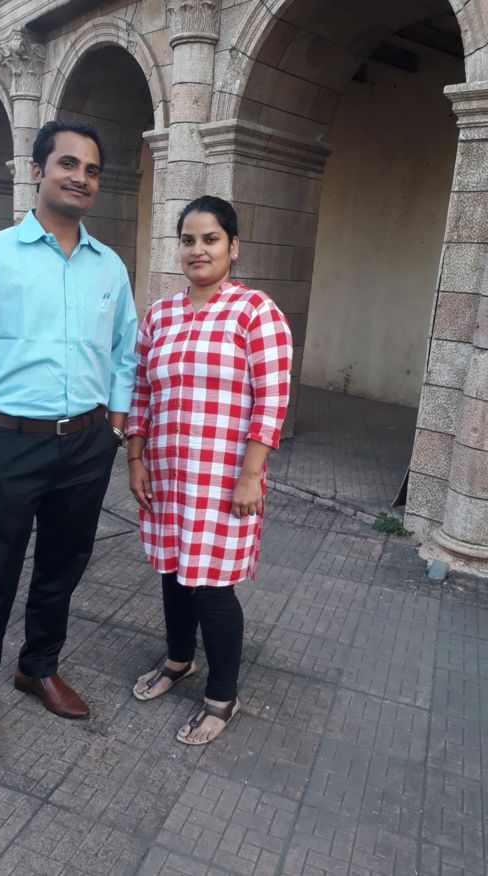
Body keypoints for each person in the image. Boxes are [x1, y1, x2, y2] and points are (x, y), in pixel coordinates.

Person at [0, 120, 138, 768]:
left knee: (63, 566)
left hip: (87, 446)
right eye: (68, 164)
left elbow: (125, 354)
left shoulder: (109, 266)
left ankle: (38, 666)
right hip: (11, 444)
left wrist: (114, 430)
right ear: (37, 171)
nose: (81, 177)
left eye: (92, 169)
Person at [127, 196, 292, 745]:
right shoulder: (160, 315)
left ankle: (222, 695)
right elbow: (141, 391)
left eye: (210, 239)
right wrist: (135, 458)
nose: (198, 250)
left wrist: (251, 476)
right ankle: (179, 660)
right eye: (188, 240)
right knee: (174, 573)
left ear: (233, 247)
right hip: (168, 474)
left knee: (212, 588)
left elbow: (271, 400)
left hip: (224, 480)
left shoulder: (255, 312)